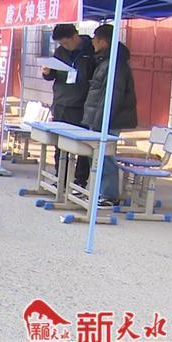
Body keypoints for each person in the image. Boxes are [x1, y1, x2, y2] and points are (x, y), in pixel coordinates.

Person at [82, 24, 138, 207]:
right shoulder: (104, 61)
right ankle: (99, 192)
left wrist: (100, 122)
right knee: (98, 157)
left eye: (95, 39)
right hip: (98, 118)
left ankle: (109, 195)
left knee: (106, 157)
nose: (92, 42)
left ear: (103, 42)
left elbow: (113, 96)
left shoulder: (115, 64)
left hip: (108, 120)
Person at [43, 24, 96, 188]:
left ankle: (80, 181)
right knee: (59, 144)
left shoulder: (90, 50)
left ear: (75, 36)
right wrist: (47, 72)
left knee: (81, 145)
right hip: (61, 102)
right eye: (61, 43)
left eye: (65, 43)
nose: (63, 46)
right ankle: (61, 178)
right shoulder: (60, 52)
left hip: (80, 104)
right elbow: (52, 75)